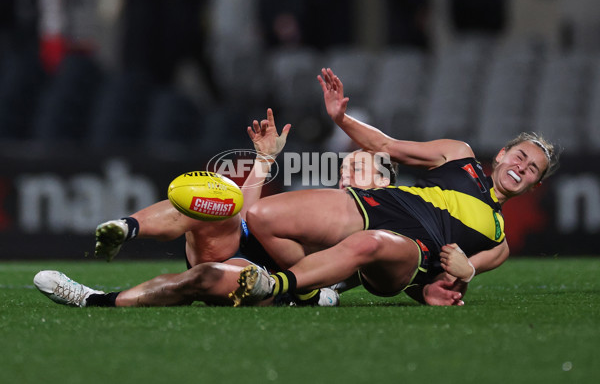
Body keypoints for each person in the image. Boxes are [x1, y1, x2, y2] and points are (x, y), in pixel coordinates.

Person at [230, 68, 560, 307]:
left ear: (534, 185)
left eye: (532, 169)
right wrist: (342, 120)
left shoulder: (499, 240)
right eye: (519, 157)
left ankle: (277, 284)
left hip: (412, 247)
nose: (521, 168)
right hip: (386, 206)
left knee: (367, 243)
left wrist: (467, 272)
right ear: (502, 155)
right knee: (259, 215)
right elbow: (389, 145)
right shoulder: (460, 155)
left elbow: (454, 278)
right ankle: (307, 292)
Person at [33, 110, 401, 307]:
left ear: (385, 182)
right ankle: (126, 227)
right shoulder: (327, 204)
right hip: (252, 248)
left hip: (274, 283)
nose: (344, 176)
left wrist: (459, 269)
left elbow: (391, 269)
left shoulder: (386, 226)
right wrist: (263, 161)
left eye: (356, 168)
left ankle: (96, 300)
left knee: (204, 277)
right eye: (344, 168)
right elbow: (254, 219)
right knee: (218, 197)